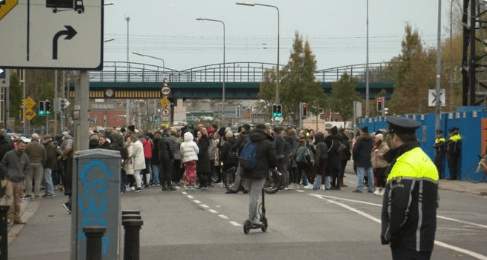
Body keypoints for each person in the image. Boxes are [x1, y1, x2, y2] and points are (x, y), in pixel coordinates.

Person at [381, 117, 439, 260]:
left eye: (389, 136)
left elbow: (399, 205)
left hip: (407, 241)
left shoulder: (406, 163)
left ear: (395, 137)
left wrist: (388, 232)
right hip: (423, 238)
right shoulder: (424, 159)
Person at [241, 124, 276, 226]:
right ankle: (252, 219)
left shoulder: (249, 140)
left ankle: (254, 216)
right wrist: (273, 167)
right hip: (259, 172)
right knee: (254, 197)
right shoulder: (267, 143)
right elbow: (273, 160)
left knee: (252, 195)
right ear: (264, 130)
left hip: (247, 170)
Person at [0, 137, 31, 224]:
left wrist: (23, 175)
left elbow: (28, 167)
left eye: (24, 147)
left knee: (18, 201)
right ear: (16, 146)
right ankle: (9, 218)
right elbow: (2, 164)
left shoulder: (25, 156)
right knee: (10, 199)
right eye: (21, 146)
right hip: (10, 180)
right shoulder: (9, 154)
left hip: (19, 180)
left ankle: (17, 218)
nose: (22, 148)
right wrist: (7, 173)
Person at [353, 127, 374, 193]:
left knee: (360, 174)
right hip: (368, 158)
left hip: (360, 158)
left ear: (362, 132)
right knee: (370, 174)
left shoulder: (360, 139)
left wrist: (354, 158)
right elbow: (372, 148)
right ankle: (371, 188)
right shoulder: (371, 139)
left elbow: (355, 149)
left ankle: (360, 188)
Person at [25, 133, 46, 198]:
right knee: (38, 179)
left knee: (29, 179)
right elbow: (45, 156)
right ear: (37, 138)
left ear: (32, 138)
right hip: (39, 164)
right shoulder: (41, 146)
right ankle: (36, 194)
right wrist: (43, 163)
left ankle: (29, 193)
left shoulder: (28, 145)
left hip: (29, 164)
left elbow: (25, 155)